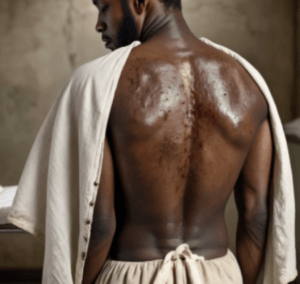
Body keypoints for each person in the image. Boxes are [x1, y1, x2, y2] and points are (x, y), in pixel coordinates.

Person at [81, 0, 273, 283]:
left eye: (104, 6)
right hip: (219, 274)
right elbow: (256, 217)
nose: (99, 23)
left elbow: (99, 223)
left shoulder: (105, 86)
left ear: (139, 2)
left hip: (133, 273)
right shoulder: (249, 85)